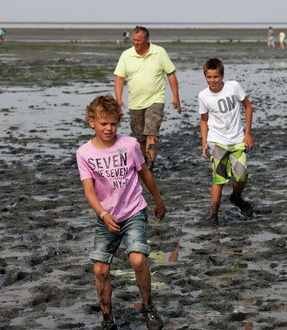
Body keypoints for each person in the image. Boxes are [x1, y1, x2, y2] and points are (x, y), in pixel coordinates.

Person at [76, 95, 166, 330]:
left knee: (137, 258)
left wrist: (158, 200)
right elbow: (89, 190)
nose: (109, 128)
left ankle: (147, 306)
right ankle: (108, 318)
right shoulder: (85, 153)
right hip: (106, 217)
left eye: (113, 123)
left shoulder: (130, 145)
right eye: (104, 123)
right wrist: (103, 214)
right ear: (92, 122)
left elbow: (145, 174)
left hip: (133, 211)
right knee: (100, 268)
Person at [114, 26, 181, 170]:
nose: (136, 43)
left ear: (147, 40)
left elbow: (171, 74)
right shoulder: (126, 55)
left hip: (155, 100)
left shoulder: (159, 52)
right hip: (135, 103)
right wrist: (118, 99)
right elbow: (119, 78)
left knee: (152, 133)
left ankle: (150, 166)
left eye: (139, 40)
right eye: (134, 40)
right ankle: (144, 163)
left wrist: (176, 97)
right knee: (140, 138)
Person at [198, 58, 254, 225]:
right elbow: (203, 120)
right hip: (217, 142)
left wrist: (248, 133)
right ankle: (213, 214)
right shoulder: (203, 96)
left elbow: (248, 107)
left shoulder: (233, 87)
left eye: (216, 77)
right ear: (205, 76)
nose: (212, 81)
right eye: (209, 77)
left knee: (241, 176)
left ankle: (236, 197)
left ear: (222, 75)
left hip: (237, 141)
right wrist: (204, 142)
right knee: (219, 179)